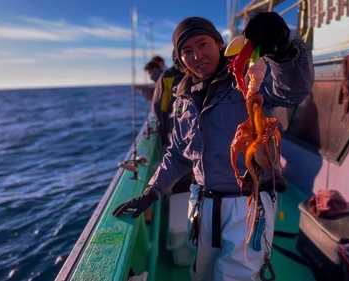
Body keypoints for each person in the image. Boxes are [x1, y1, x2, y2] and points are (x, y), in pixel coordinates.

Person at [113, 12, 314, 281]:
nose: (196, 55)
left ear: (220, 44)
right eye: (187, 50)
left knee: (238, 276)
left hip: (248, 204)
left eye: (203, 44)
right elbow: (177, 154)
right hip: (202, 204)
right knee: (201, 274)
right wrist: (152, 192)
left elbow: (291, 91)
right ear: (179, 57)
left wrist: (283, 52)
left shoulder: (247, 77)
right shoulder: (183, 98)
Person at [152, 50, 185, 147]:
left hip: (175, 123)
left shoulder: (167, 75)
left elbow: (161, 106)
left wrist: (162, 128)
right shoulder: (167, 75)